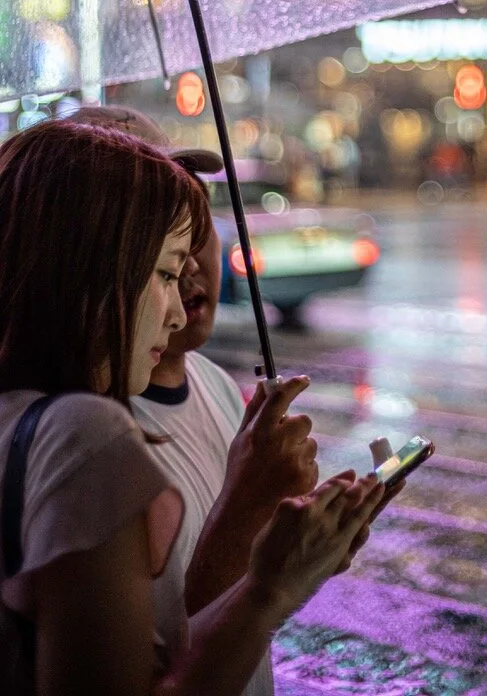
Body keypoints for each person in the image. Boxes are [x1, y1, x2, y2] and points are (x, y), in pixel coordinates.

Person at [0, 119, 385, 696]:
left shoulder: (30, 414)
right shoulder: (86, 435)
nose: (178, 306)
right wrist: (266, 593)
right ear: (95, 262)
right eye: (161, 270)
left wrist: (291, 559)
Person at [70, 105, 319, 696]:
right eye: (156, 254)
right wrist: (255, 559)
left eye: (191, 219)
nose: (187, 274)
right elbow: (164, 660)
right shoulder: (83, 439)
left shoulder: (215, 384)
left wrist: (302, 544)